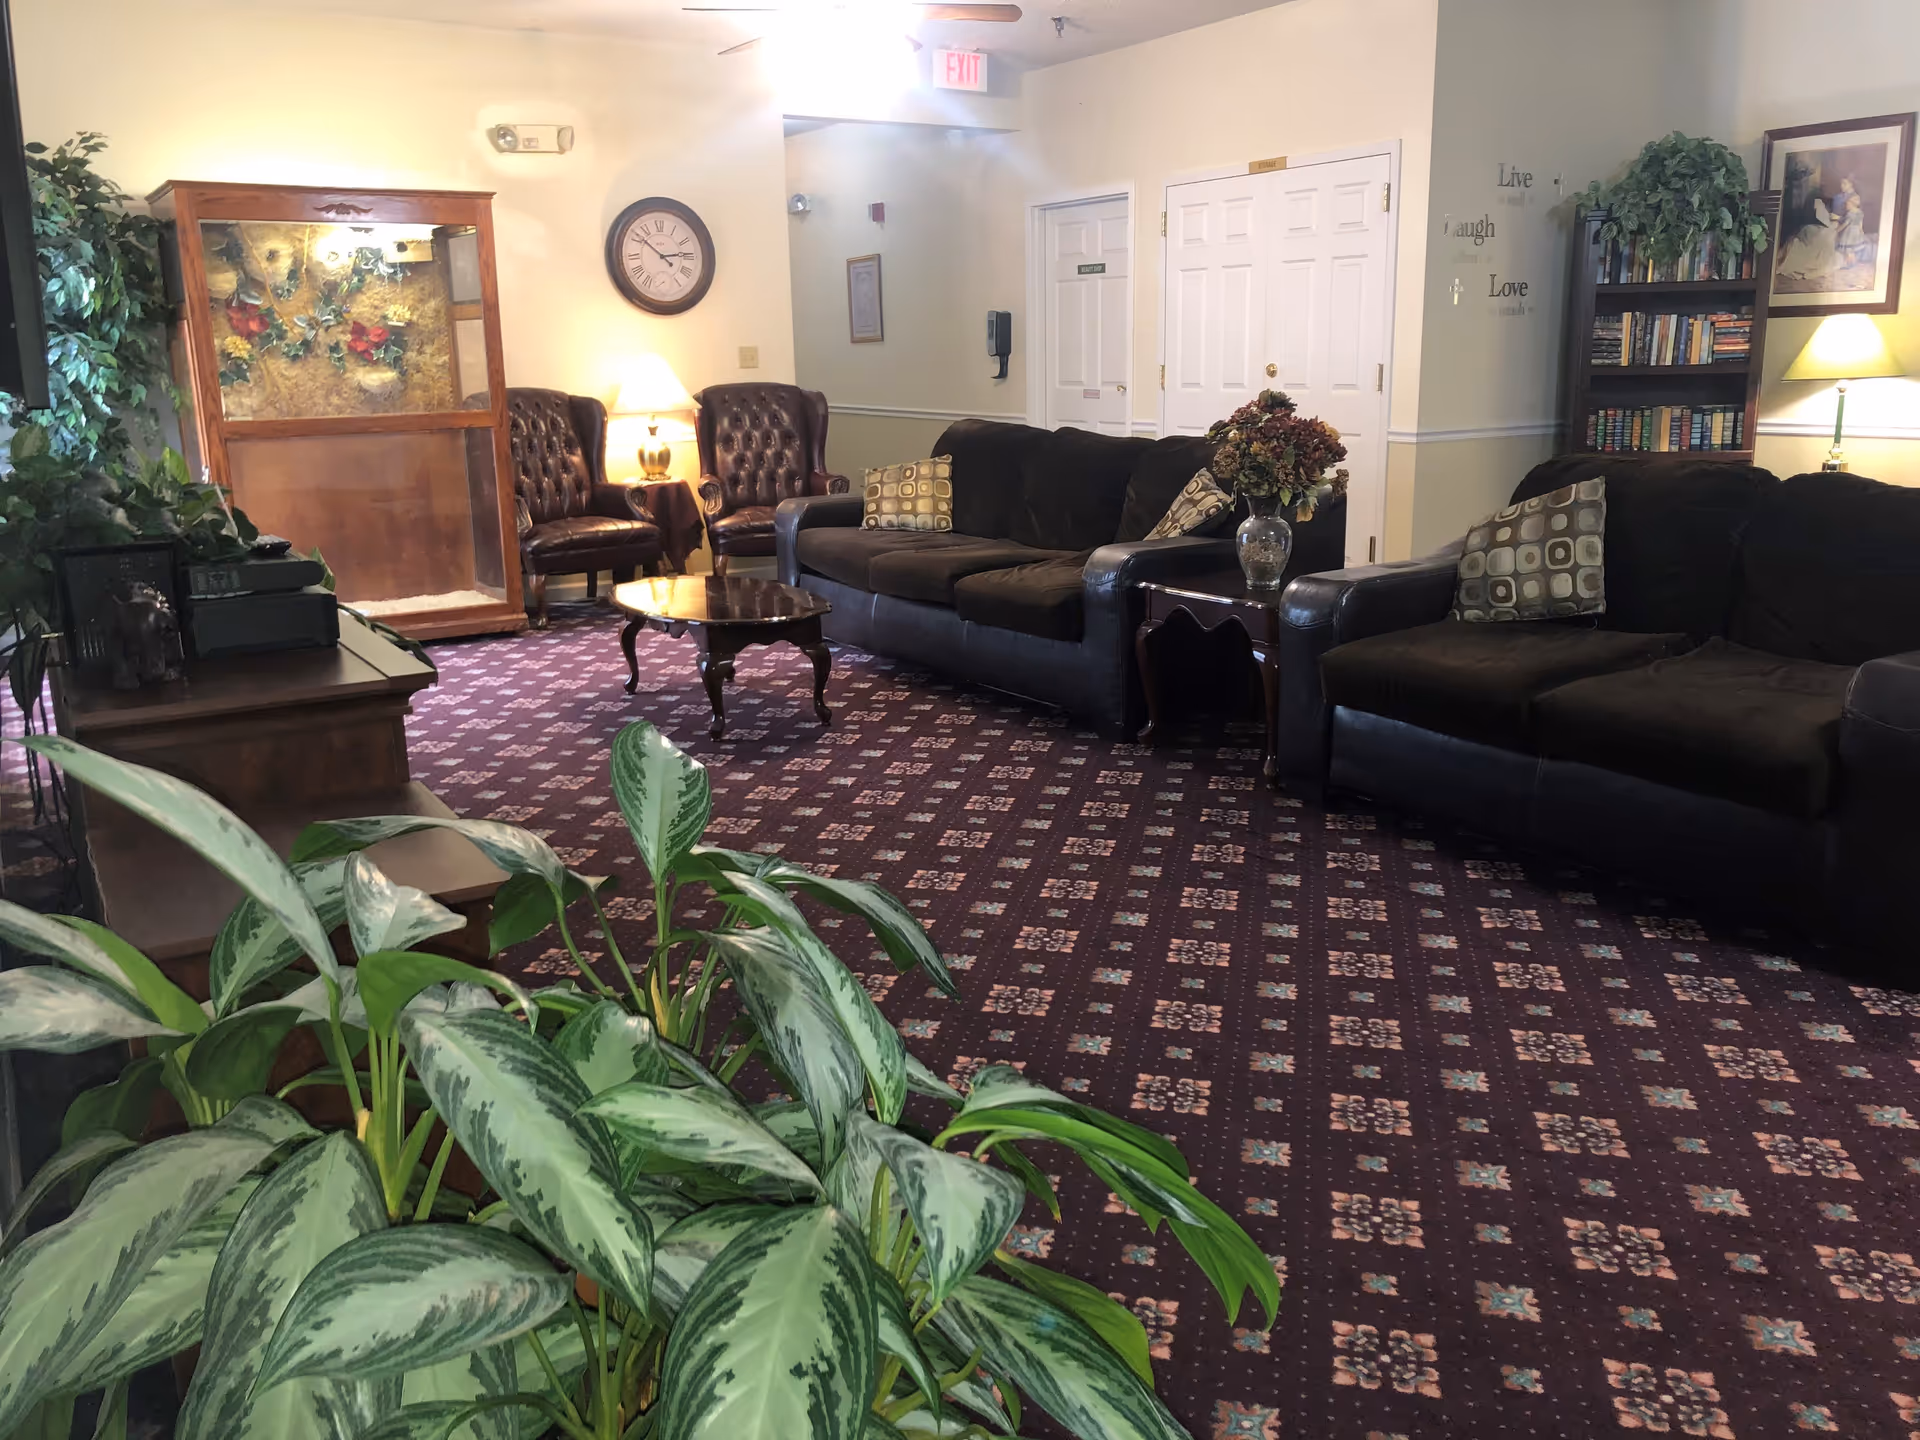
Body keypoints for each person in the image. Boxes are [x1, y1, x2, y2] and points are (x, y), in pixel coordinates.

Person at [1776, 195, 1837, 284]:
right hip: (1811, 254)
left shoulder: (1815, 229)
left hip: (1811, 257)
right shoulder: (1813, 228)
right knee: (1791, 244)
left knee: (1792, 245)